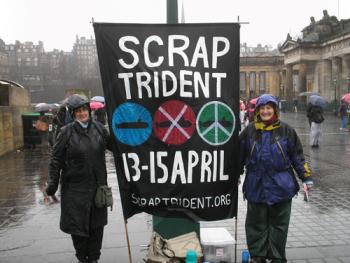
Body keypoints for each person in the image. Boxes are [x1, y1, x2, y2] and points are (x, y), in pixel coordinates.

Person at [239, 94, 313, 263]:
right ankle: (258, 255)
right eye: (262, 108)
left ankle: (276, 256)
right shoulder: (249, 130)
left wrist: (306, 177)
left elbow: (298, 157)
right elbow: (238, 156)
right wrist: (233, 176)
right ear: (257, 111)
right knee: (256, 224)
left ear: (274, 110)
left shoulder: (286, 130)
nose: (265, 111)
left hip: (281, 187)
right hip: (256, 186)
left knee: (279, 226)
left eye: (269, 108)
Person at [46, 94, 111, 263]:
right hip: (75, 190)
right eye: (78, 111)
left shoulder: (99, 129)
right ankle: (82, 258)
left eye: (84, 110)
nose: (82, 113)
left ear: (89, 110)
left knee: (97, 227)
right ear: (73, 114)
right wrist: (52, 183)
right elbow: (56, 159)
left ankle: (94, 258)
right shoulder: (65, 132)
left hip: (97, 187)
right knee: (78, 228)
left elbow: (115, 147)